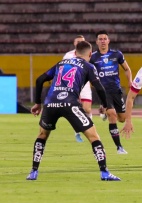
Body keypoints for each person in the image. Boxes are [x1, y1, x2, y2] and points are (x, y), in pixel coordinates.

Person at [26, 41, 120, 181]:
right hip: (70, 103)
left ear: (75, 53)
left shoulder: (61, 63)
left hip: (50, 103)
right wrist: (105, 106)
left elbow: (40, 80)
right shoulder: (89, 66)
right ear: (90, 53)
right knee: (94, 137)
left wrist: (38, 104)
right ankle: (104, 172)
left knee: (42, 135)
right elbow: (99, 88)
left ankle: (33, 171)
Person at [90, 30, 133, 154]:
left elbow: (126, 68)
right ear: (97, 42)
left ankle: (103, 112)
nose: (103, 41)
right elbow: (87, 73)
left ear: (108, 40)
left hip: (116, 90)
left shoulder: (116, 54)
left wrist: (130, 81)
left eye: (105, 39)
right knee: (112, 115)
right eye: (100, 39)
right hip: (103, 91)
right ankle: (119, 147)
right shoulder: (92, 57)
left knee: (122, 118)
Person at [63, 35, 92, 143]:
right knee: (75, 108)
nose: (79, 43)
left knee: (87, 109)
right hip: (72, 85)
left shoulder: (89, 54)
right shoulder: (68, 55)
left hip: (85, 84)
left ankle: (88, 127)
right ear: (74, 43)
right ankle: (77, 131)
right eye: (78, 41)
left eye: (82, 41)